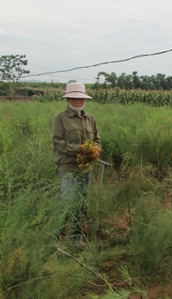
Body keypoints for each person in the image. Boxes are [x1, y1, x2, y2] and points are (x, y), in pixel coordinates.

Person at [52, 82, 101, 246]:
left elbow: (96, 139)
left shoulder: (90, 118)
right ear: (68, 99)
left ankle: (75, 238)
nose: (77, 101)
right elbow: (58, 143)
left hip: (86, 169)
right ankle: (55, 238)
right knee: (66, 203)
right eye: (74, 98)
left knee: (80, 204)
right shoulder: (60, 118)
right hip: (68, 168)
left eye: (80, 98)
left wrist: (95, 151)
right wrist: (79, 149)